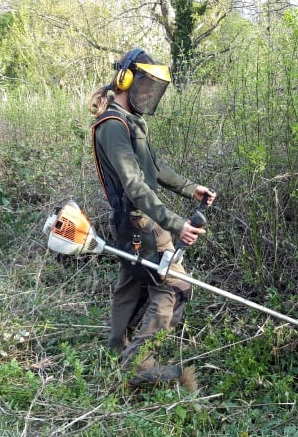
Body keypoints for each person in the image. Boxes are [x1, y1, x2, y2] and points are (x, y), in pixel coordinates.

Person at [88, 48, 216, 384]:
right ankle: (138, 367)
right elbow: (133, 184)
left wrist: (191, 189)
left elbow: (154, 168)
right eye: (144, 85)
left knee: (131, 286)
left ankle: (118, 353)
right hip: (141, 221)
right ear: (126, 79)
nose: (148, 93)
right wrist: (176, 223)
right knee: (176, 285)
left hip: (136, 220)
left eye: (153, 88)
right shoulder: (113, 126)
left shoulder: (129, 122)